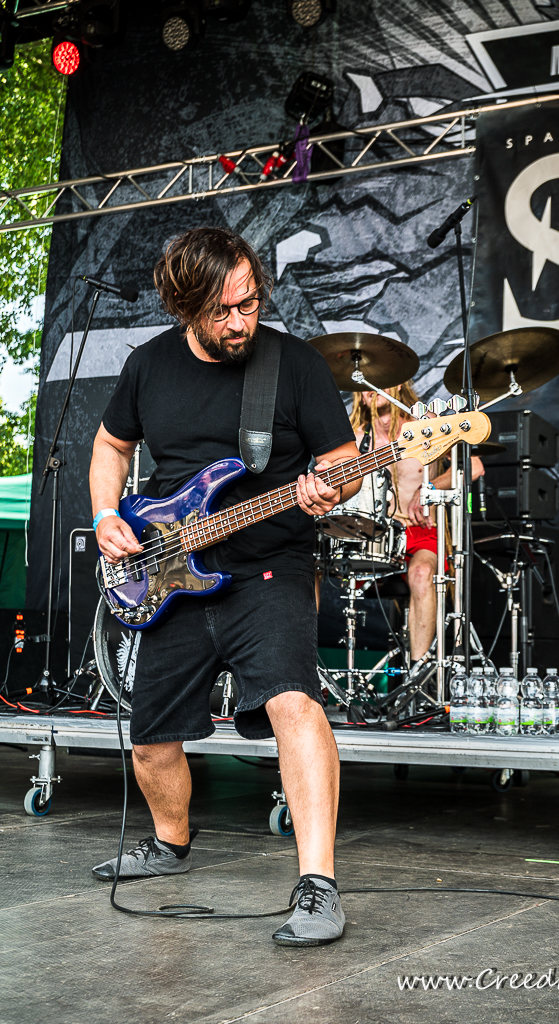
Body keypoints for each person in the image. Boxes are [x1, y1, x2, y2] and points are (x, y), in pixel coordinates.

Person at [89, 226, 362, 947]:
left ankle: (317, 885)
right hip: (169, 571)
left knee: (293, 703)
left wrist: (328, 486)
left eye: (249, 302)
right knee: (152, 739)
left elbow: (343, 459)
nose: (240, 321)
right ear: (184, 307)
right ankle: (169, 843)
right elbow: (111, 444)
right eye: (222, 310)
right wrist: (107, 514)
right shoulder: (149, 366)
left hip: (269, 565)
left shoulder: (292, 364)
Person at [350, 385, 484, 662]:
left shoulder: (425, 424)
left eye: (383, 379)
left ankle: (418, 672)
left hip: (419, 530)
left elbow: (474, 466)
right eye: (366, 383)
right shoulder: (354, 437)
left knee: (422, 573)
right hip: (372, 536)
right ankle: (305, 668)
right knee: (311, 560)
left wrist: (429, 488)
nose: (373, 389)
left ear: (398, 384)